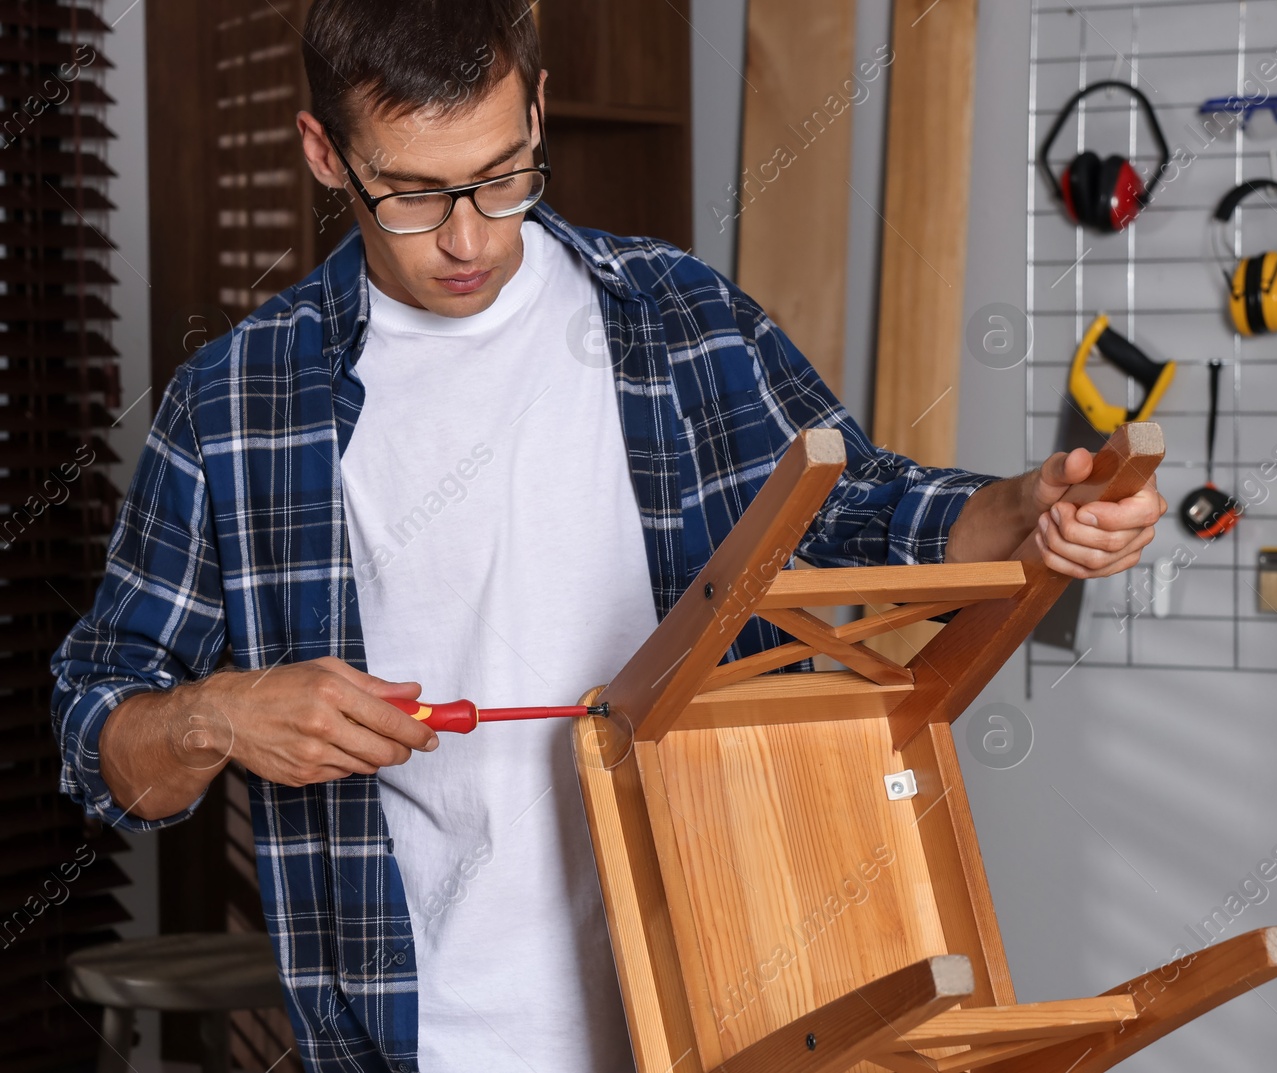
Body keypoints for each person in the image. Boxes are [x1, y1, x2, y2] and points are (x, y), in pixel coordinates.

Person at [50, 1, 1163, 1069]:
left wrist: (1027, 512)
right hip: (420, 1035)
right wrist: (215, 714)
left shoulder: (682, 317)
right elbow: (101, 741)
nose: (467, 236)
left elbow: (866, 511)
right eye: (413, 194)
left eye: (499, 177)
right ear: (324, 153)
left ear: (538, 110)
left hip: (728, 1004)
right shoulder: (238, 403)